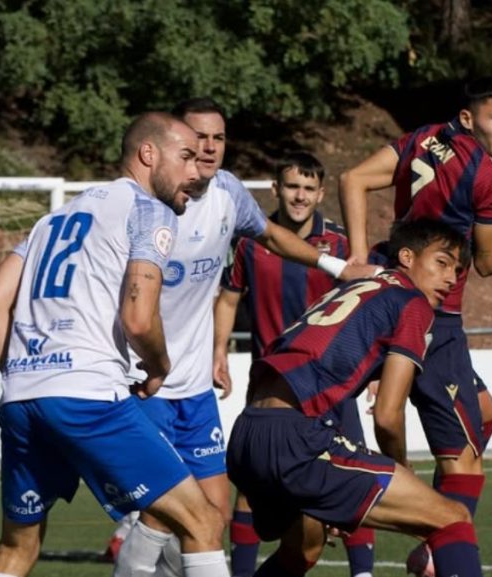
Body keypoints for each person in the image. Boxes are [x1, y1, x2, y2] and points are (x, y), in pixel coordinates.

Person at [108, 99, 376, 575]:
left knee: (210, 517)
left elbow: (270, 235)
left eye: (218, 138)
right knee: (163, 515)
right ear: (174, 142)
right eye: (197, 138)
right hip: (143, 381)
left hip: (194, 391)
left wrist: (338, 265)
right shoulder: (144, 206)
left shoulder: (229, 192)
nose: (208, 148)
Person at [0, 112, 230, 577]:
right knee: (204, 522)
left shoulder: (55, 217)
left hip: (21, 398)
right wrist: (159, 366)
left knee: (16, 549)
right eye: (187, 157)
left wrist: (22, 374)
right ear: (148, 154)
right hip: (86, 395)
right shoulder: (147, 211)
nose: (196, 172)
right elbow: (138, 318)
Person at [227, 218, 483, 577]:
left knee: (304, 549)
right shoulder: (412, 303)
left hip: (247, 434)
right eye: (441, 262)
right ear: (406, 257)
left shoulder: (354, 287)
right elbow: (387, 414)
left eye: (457, 270)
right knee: (452, 518)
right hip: (295, 439)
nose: (451, 278)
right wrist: (401, 468)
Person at [339, 77, 492, 571]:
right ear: (468, 118)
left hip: (389, 294)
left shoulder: (422, 139)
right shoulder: (488, 175)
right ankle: (439, 546)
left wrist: (357, 256)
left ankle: (435, 534)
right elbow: (486, 263)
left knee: (483, 412)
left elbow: (352, 178)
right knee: (462, 456)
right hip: (435, 317)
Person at [214, 152, 376, 577]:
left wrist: (374, 370)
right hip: (270, 388)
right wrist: (218, 354)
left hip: (331, 387)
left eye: (308, 188)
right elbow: (228, 300)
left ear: (321, 193)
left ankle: (363, 574)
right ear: (275, 189)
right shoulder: (249, 241)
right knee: (251, 488)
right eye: (291, 187)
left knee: (357, 477)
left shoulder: (341, 245)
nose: (299, 196)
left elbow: (365, 305)